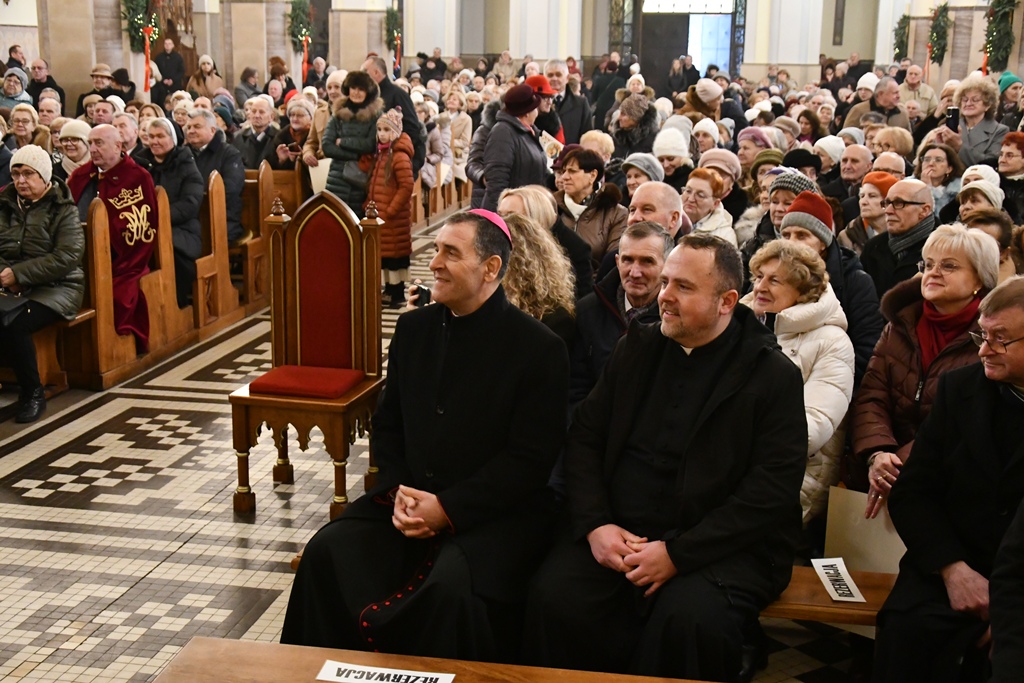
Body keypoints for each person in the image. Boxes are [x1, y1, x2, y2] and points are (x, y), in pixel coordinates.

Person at [282, 210, 570, 662]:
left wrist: (447, 509)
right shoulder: (414, 329)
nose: (433, 263)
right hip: (406, 500)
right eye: (436, 250)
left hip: (493, 516)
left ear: (490, 268)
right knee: (325, 552)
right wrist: (399, 491)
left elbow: (529, 462)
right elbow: (389, 424)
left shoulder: (540, 349)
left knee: (449, 589)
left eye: (450, 253)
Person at [523, 233, 807, 681]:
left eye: (684, 287)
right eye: (667, 281)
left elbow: (770, 490)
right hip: (619, 529)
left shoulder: (772, 375)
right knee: (556, 597)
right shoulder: (637, 347)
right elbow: (585, 438)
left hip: (718, 546)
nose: (664, 296)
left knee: (689, 620)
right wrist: (595, 525)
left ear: (727, 301)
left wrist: (678, 553)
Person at [875, 276, 1024, 683]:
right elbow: (914, 492)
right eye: (982, 335)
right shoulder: (961, 390)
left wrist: (1012, 614)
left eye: (1000, 339)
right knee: (908, 633)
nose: (983, 350)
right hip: (948, 566)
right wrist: (953, 570)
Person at [850, 225, 999, 513]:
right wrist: (879, 453)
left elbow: (966, 421)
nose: (933, 273)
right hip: (883, 469)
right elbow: (871, 396)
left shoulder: (991, 337)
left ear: (980, 278)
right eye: (928, 264)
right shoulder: (899, 325)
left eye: (949, 266)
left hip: (954, 482)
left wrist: (900, 463)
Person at [742, 238, 854, 527]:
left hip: (795, 479)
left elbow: (811, 428)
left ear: (803, 291)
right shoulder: (739, 325)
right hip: (735, 468)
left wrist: (730, 436)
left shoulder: (832, 342)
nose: (760, 287)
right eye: (758, 277)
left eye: (774, 280)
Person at [0, 146, 83, 423]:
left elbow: (67, 256)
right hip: (9, 285)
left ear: (44, 176)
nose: (20, 180)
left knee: (15, 323)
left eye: (28, 174)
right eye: (16, 174)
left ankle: (32, 393)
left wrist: (19, 275)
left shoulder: (63, 208)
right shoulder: (4, 204)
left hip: (57, 287)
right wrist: (6, 275)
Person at [67, 125, 157, 350]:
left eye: (99, 143)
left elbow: (145, 226)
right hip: (79, 257)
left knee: (117, 296)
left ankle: (113, 349)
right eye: (90, 143)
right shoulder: (80, 175)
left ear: (118, 146)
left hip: (123, 262)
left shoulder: (138, 177)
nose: (92, 149)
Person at [568, 220, 670, 405]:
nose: (635, 272)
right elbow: (575, 388)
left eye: (647, 261)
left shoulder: (675, 318)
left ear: (668, 266)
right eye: (627, 260)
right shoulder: (587, 312)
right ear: (617, 261)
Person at [138, 118, 205, 308]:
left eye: (160, 136)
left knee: (170, 253)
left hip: (181, 229)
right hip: (143, 227)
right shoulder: (139, 163)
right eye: (151, 137)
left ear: (173, 139)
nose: (154, 141)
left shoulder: (186, 165)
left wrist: (156, 219)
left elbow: (190, 204)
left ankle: (173, 305)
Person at [498, 185, 593, 301]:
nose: (502, 221)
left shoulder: (573, 249)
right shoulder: (494, 246)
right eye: (500, 214)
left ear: (534, 218)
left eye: (511, 215)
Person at [365, 108, 414, 308]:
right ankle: (389, 290)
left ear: (395, 132)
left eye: (386, 130)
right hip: (381, 213)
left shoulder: (399, 155)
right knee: (386, 254)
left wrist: (391, 210)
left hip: (393, 217)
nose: (382, 134)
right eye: (379, 130)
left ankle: (396, 293)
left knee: (395, 255)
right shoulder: (383, 153)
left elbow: (406, 185)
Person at [861, 178, 936, 297]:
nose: (888, 211)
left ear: (924, 210)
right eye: (887, 203)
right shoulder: (873, 247)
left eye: (898, 203)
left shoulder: (945, 246)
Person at [553, 147, 627, 268]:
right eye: (563, 171)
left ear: (592, 175)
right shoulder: (551, 208)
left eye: (572, 171)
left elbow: (612, 263)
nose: (564, 177)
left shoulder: (616, 214)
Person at [481, 84, 548, 211]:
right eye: (535, 108)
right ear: (527, 113)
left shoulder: (528, 131)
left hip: (526, 208)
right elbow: (497, 181)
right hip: (510, 212)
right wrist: (502, 214)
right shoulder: (502, 132)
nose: (537, 112)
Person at [186, 109, 245, 245]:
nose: (191, 131)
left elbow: (231, 189)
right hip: (190, 218)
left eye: (197, 126)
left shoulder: (229, 154)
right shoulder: (183, 153)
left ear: (212, 130)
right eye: (189, 127)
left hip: (221, 219)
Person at [362, 56, 425, 177]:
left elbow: (411, 128)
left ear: (376, 72)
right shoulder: (369, 96)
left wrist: (394, 152)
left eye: (365, 71)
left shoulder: (398, 94)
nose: (362, 76)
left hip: (394, 161)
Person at [935, 73, 1009, 167]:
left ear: (988, 105)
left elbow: (992, 163)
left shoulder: (999, 131)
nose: (968, 103)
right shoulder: (949, 127)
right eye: (965, 100)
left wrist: (960, 147)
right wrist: (939, 146)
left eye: (975, 100)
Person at [839, 171, 897, 255]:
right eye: (862, 196)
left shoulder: (904, 233)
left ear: (888, 202)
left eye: (872, 196)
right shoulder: (847, 236)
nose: (863, 202)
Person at [682, 167, 736, 246]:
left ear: (715, 204)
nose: (691, 199)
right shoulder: (669, 215)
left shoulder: (724, 236)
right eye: (688, 191)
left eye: (700, 195)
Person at [545, 59, 591, 146]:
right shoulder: (538, 104)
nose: (554, 78)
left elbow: (587, 135)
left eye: (558, 75)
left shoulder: (581, 104)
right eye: (550, 75)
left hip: (573, 152)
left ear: (567, 78)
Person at [915, 142, 965, 215]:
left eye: (938, 160)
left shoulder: (957, 191)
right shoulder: (907, 184)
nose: (931, 163)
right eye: (927, 159)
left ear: (949, 168)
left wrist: (929, 188)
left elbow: (941, 215)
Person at [264, 97, 313, 170]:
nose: (295, 118)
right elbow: (271, 165)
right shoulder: (281, 137)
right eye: (292, 115)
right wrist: (281, 160)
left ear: (311, 118)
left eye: (300, 115)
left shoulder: (315, 136)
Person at [233, 97, 277, 169]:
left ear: (271, 117)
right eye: (253, 111)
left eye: (261, 112)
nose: (257, 115)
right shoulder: (238, 137)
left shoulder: (278, 137)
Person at [652, 127, 693, 192]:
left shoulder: (692, 179)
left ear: (682, 157)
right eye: (661, 160)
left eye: (671, 159)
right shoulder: (654, 180)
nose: (666, 165)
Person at [445, 90, 472, 187]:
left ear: (460, 104)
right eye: (449, 99)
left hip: (459, 155)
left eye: (454, 99)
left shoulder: (466, 119)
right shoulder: (441, 117)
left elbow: (465, 142)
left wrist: (449, 142)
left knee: (456, 171)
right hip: (443, 151)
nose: (450, 101)